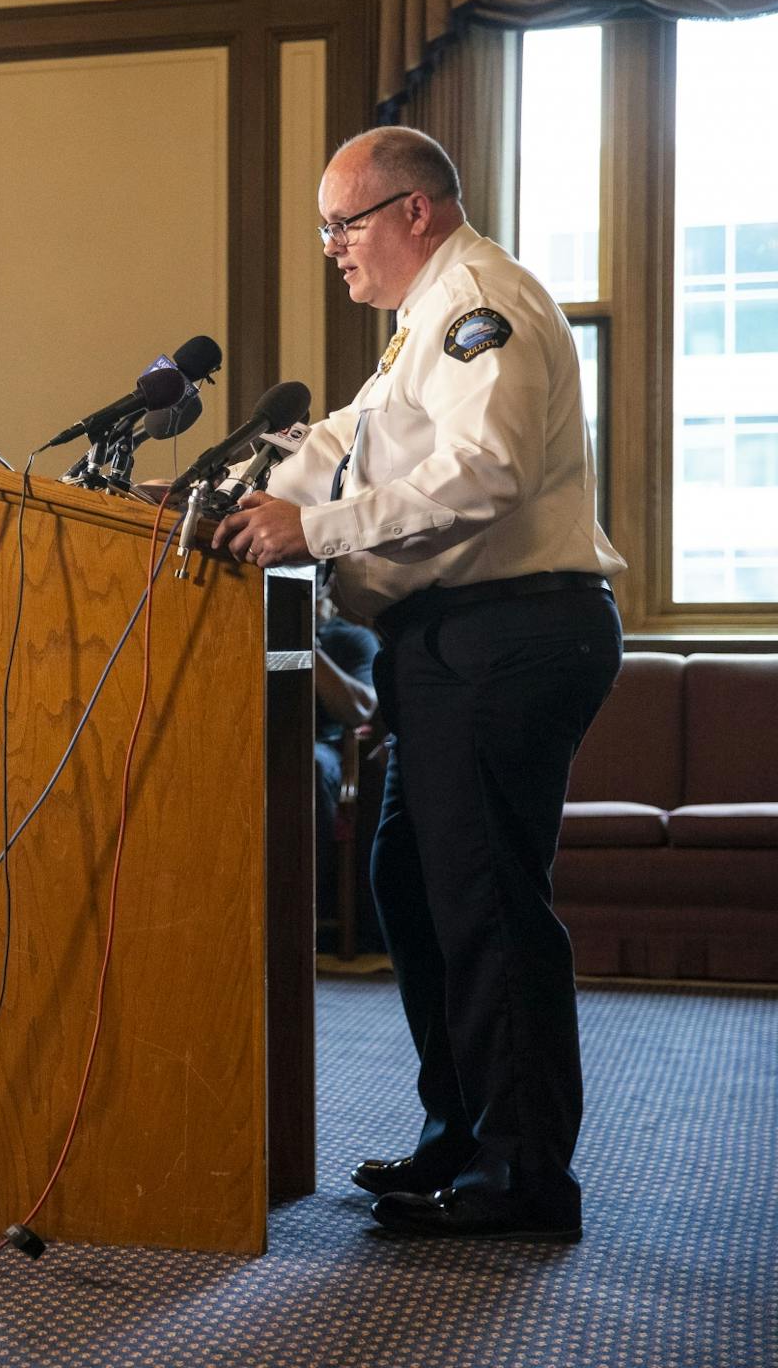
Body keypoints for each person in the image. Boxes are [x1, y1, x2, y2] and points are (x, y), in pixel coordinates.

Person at [216, 126, 624, 1242]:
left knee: (485, 904)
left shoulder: (478, 303)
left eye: (341, 225)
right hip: (453, 646)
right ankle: (465, 1134)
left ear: (415, 212)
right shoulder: (417, 330)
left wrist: (319, 529)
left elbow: (483, 470)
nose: (330, 248)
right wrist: (221, 491)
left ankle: (523, 1175)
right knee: (413, 883)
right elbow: (342, 443)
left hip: (509, 634)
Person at [312, 573, 381, 953]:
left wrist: (305, 643)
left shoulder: (351, 638)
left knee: (311, 766)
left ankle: (306, 910)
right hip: (255, 745)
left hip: (323, 749)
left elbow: (360, 708)